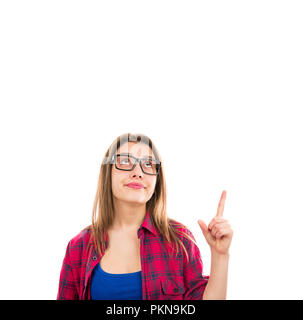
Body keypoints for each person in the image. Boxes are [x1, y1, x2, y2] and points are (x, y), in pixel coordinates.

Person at [56, 133, 233, 300]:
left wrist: (220, 255)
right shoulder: (78, 247)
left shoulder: (179, 240)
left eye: (148, 164)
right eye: (125, 161)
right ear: (107, 173)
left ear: (156, 180)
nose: (138, 172)